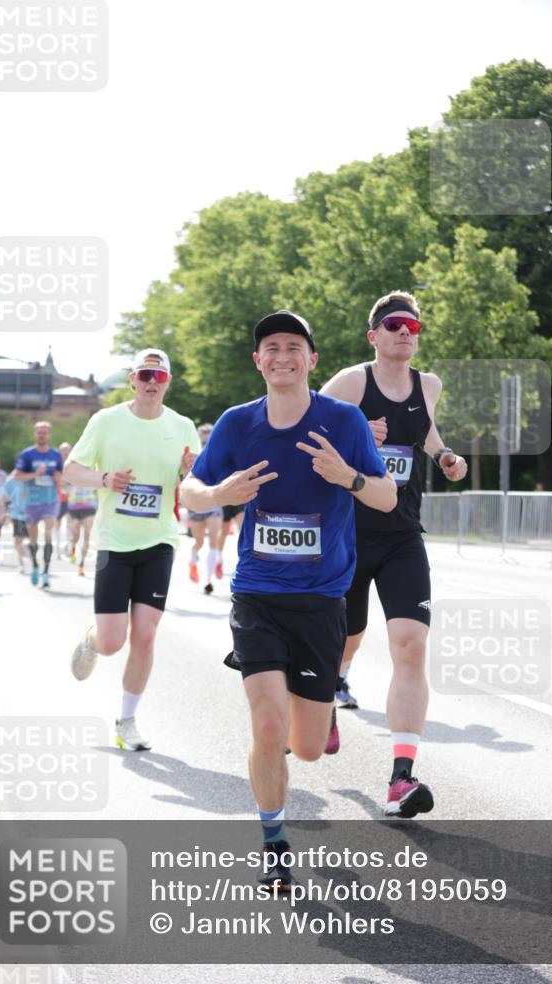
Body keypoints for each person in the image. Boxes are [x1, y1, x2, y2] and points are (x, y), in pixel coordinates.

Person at [180, 310, 395, 887]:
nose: (281, 355)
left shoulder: (344, 421)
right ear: (258, 361)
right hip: (258, 594)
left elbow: (385, 497)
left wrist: (345, 475)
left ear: (311, 359)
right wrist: (218, 493)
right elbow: (189, 488)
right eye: (270, 346)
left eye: (293, 346)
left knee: (307, 745)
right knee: (268, 730)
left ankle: (311, 725)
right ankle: (273, 840)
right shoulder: (237, 422)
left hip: (324, 599)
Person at [321, 290, 468, 817]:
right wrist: (357, 430)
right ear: (374, 334)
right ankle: (327, 690)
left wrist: (447, 456)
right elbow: (307, 434)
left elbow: (424, 433)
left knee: (410, 646)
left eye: (413, 325)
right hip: (347, 535)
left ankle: (401, 780)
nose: (405, 332)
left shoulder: (428, 384)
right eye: (394, 324)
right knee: (348, 635)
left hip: (403, 534)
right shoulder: (351, 382)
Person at [64, 348, 199, 751]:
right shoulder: (106, 421)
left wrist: (193, 470)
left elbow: (192, 484)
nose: (151, 383)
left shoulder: (182, 426)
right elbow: (72, 470)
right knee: (112, 641)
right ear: (132, 379)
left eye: (159, 378)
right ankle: (91, 640)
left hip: (159, 541)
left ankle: (127, 721)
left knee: (144, 636)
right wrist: (105, 478)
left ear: (168, 382)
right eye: (145, 375)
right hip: (114, 542)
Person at [14, 422, 63, 588]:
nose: (42, 435)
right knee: (33, 539)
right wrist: (35, 474)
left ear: (49, 435)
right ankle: (35, 566)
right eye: (39, 433)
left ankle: (46, 571)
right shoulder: (27, 454)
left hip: (50, 500)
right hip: (32, 501)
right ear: (35, 434)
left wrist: (58, 477)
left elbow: (62, 475)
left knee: (48, 532)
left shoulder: (56, 455)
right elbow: (17, 476)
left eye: (45, 433)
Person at [187, 423, 224, 595]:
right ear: (200, 436)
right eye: (205, 434)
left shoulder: (221, 451)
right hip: (196, 505)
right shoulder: (194, 453)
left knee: (213, 542)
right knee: (199, 542)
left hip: (213, 502)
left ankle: (208, 580)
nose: (208, 437)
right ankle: (192, 561)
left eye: (211, 433)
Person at [0, 471, 28, 572]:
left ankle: (26, 556)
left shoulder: (34, 476)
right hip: (17, 514)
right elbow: (3, 495)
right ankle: (21, 562)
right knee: (18, 539)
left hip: (32, 514)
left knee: (30, 539)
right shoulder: (11, 480)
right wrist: (3, 512)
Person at [66, 484, 98, 576]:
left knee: (87, 536)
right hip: (75, 509)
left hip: (89, 509)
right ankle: (73, 550)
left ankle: (81, 565)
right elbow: (64, 485)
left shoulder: (93, 471)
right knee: (75, 537)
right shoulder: (74, 472)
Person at [217, 503, 245, 579]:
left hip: (239, 500)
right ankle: (218, 559)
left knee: (243, 530)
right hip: (225, 501)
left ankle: (244, 559)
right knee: (223, 532)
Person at [55, 442, 72, 558]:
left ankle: (67, 546)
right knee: (57, 524)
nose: (65, 452)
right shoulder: (56, 465)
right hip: (58, 499)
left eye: (67, 450)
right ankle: (57, 549)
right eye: (62, 450)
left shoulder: (73, 465)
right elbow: (57, 479)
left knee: (70, 524)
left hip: (71, 499)